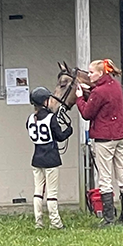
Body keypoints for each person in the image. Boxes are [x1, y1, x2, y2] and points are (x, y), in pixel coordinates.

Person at [76, 59, 123, 227]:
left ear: (101, 73)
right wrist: (90, 90)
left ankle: (109, 219)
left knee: (105, 178)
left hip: (104, 138)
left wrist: (79, 98)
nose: (89, 75)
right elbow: (104, 97)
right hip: (120, 136)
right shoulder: (115, 86)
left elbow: (87, 113)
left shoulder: (99, 92)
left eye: (91, 72)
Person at [26, 86, 73, 230]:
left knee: (38, 191)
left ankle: (38, 221)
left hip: (37, 157)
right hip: (51, 158)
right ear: (45, 102)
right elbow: (59, 136)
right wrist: (69, 130)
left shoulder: (30, 119)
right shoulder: (51, 118)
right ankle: (55, 222)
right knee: (52, 193)